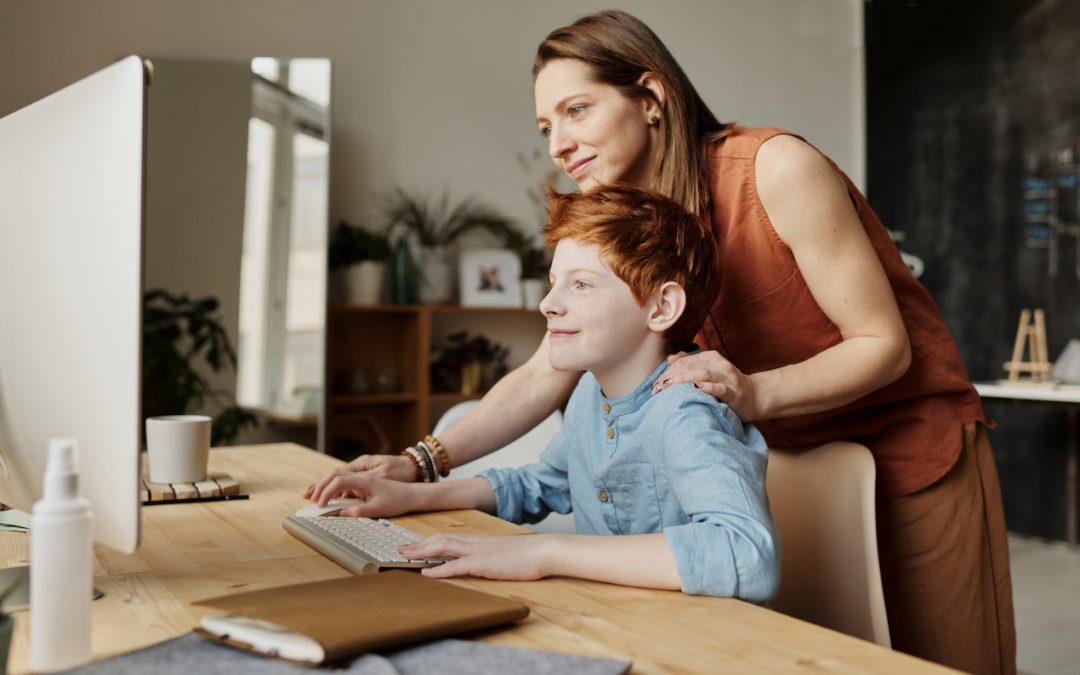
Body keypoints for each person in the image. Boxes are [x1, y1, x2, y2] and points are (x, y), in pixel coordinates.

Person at [308, 10, 1014, 673]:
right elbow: (543, 371)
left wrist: (752, 390)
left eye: (577, 110)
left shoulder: (774, 168)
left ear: (651, 96)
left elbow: (883, 344)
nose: (558, 143)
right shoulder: (628, 220)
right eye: (545, 125)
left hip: (912, 452)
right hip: (787, 460)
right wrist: (418, 461)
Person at [310, 185, 779, 601]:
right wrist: (410, 495)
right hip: (610, 619)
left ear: (661, 307)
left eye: (580, 285)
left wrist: (544, 552)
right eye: (555, 282)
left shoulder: (686, 412)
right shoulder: (589, 397)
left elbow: (747, 553)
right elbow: (541, 484)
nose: (548, 304)